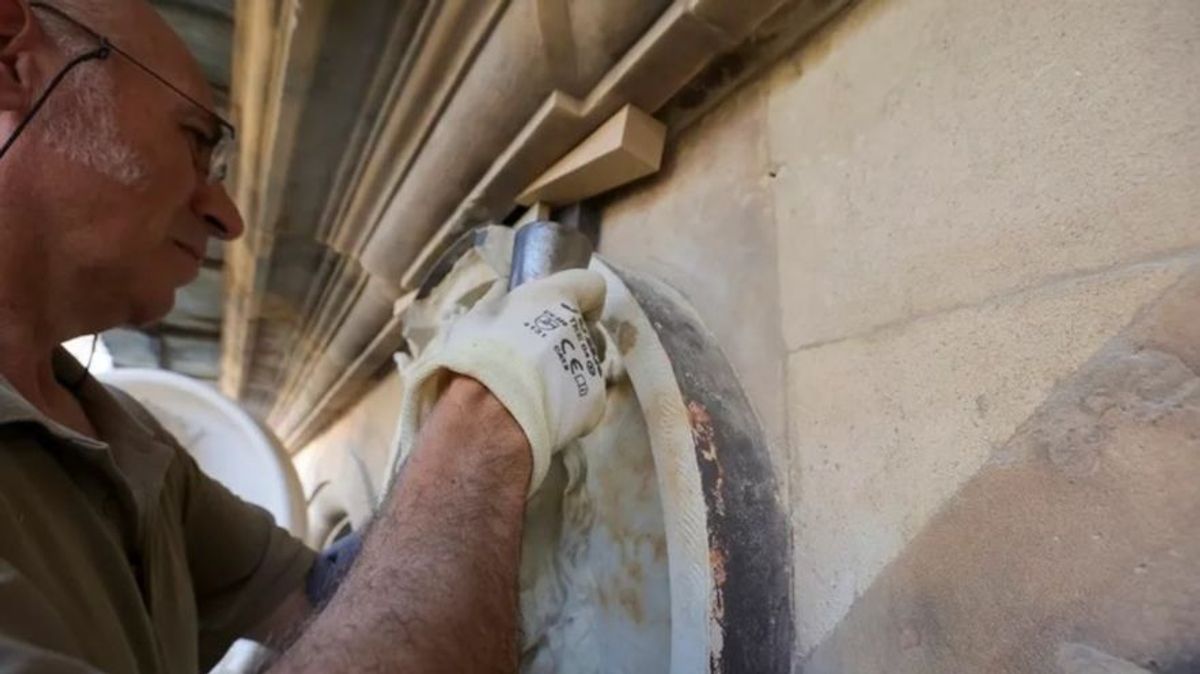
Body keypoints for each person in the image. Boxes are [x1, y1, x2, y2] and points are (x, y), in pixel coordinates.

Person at [0, 0, 608, 671]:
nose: (227, 218)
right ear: (10, 60)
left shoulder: (123, 432)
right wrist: (491, 405)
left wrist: (432, 441)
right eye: (197, 141)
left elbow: (313, 592)